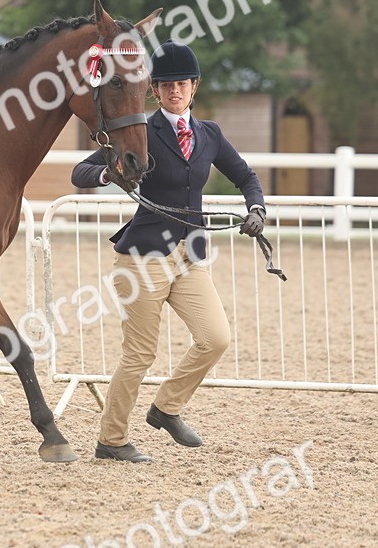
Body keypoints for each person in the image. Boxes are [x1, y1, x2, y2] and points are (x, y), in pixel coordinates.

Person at [71, 38, 266, 463]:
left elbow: (246, 177)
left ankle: (166, 408)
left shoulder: (209, 134)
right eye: (166, 84)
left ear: (194, 86)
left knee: (216, 338)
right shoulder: (142, 129)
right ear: (155, 90)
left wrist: (256, 209)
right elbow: (80, 171)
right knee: (140, 353)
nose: (174, 91)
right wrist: (110, 172)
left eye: (182, 83)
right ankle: (112, 439)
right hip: (142, 258)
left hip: (189, 256)